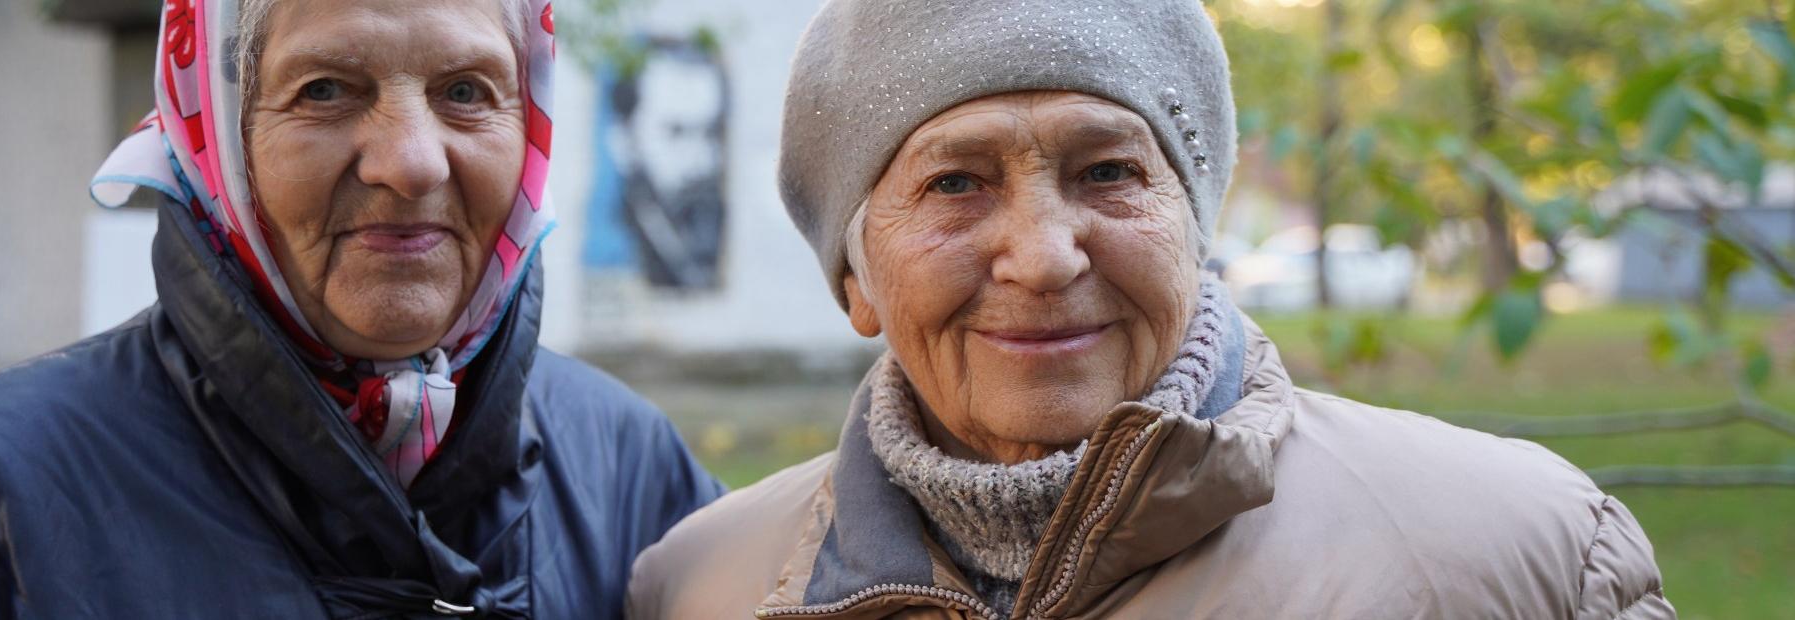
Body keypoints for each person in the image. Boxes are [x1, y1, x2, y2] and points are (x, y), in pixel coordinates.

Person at [626, 0, 1671, 617]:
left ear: (1193, 224)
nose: (1040, 255)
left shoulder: (1515, 552)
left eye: (1108, 170)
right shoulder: (701, 585)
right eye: (955, 183)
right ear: (854, 277)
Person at [0, 0, 722, 616]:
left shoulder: (636, 477)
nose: (410, 159)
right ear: (215, 135)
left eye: (466, 92)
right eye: (326, 90)